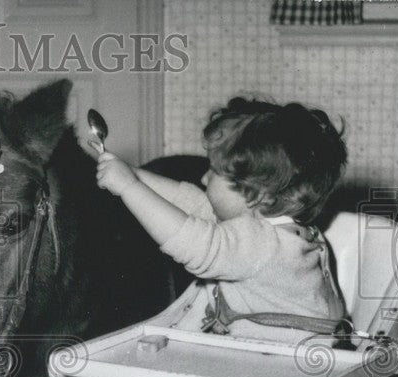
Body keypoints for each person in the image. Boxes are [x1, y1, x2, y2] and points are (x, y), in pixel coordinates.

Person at [96, 96, 349, 342]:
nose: (204, 178)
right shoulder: (277, 228)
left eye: (214, 171)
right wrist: (134, 175)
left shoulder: (264, 245)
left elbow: (193, 242)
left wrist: (128, 187)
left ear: (256, 193)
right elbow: (195, 204)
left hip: (286, 361)